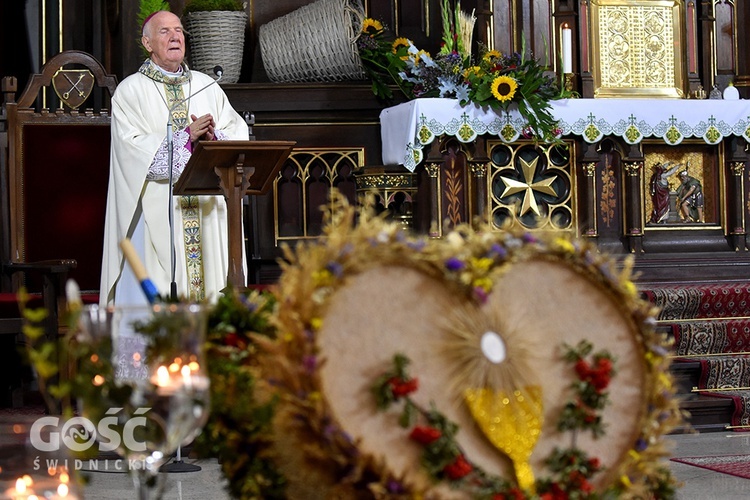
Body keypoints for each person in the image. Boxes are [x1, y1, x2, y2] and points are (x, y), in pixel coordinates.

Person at [100, 10, 249, 306]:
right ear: (147, 43)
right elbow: (133, 154)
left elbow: (237, 132)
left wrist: (213, 139)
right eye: (165, 31)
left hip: (207, 208)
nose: (175, 36)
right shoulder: (131, 92)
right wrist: (184, 137)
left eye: (179, 30)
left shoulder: (207, 86)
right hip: (158, 209)